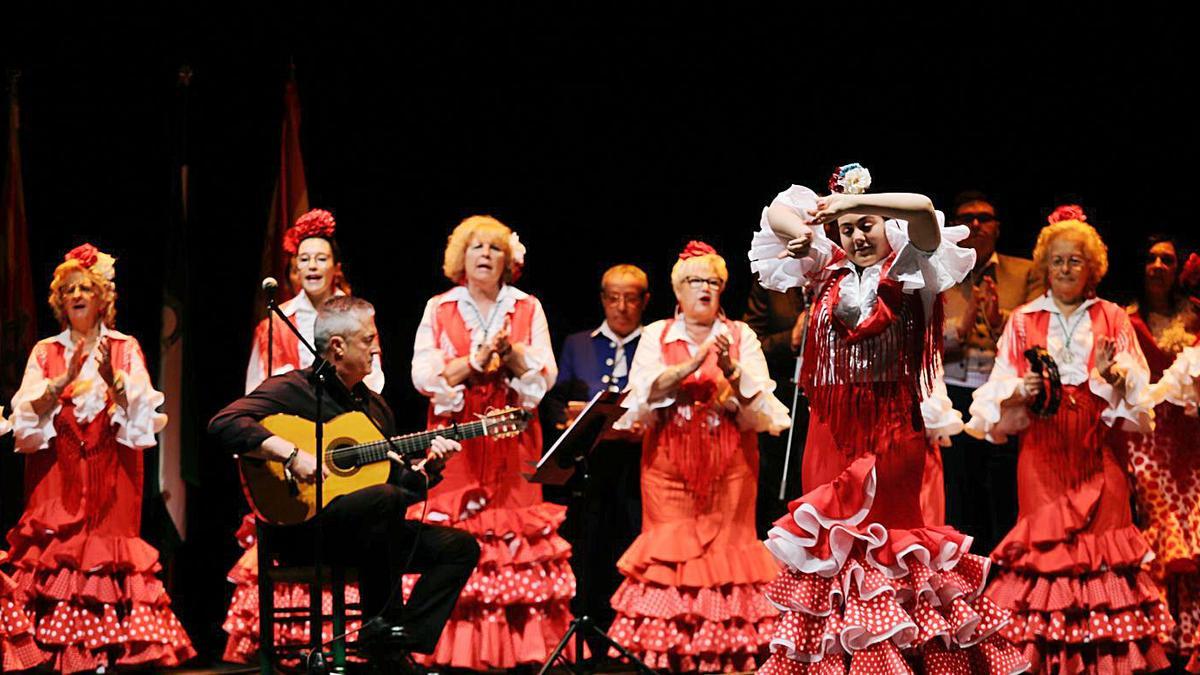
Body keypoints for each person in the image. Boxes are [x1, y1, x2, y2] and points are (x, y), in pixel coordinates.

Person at [750, 164, 1027, 673]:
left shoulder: (911, 269)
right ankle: (842, 660)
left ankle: (900, 656)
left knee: (891, 543)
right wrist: (811, 227)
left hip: (893, 426)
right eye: (849, 229)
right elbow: (775, 212)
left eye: (867, 225)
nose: (856, 235)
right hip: (831, 428)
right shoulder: (825, 267)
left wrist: (853, 203)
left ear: (885, 225)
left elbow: (922, 209)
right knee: (832, 547)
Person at [209, 296, 480, 665]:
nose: (377, 347)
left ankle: (397, 636)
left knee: (459, 547)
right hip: (304, 532)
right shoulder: (293, 390)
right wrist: (290, 454)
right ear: (337, 346)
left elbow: (399, 484)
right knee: (382, 502)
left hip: (368, 537)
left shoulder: (375, 408)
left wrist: (428, 470)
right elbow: (223, 423)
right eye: (368, 339)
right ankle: (385, 652)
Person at [965, 207, 1174, 673]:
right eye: (1057, 261)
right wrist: (1023, 388)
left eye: (1074, 261)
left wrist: (1111, 373)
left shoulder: (1113, 317)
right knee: (1046, 560)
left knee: (1103, 557)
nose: (1064, 270)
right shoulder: (1023, 320)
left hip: (1097, 452)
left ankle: (1103, 662)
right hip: (1042, 455)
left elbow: (1140, 391)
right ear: (1046, 266)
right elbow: (998, 385)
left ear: (1092, 267)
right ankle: (1045, 662)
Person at [2, 244, 195, 672]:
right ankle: (52, 654)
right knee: (58, 555)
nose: (76, 294)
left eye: (85, 287)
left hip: (111, 477)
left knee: (106, 558)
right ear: (59, 301)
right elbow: (24, 417)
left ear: (102, 296)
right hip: (58, 475)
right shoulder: (44, 352)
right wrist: (61, 383)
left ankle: (108, 651)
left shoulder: (125, 348)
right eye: (68, 289)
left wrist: (115, 383)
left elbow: (145, 418)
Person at [607, 241, 789, 672]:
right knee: (671, 558)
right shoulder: (657, 334)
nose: (703, 288)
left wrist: (731, 369)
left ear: (722, 288)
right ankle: (670, 652)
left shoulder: (741, 336)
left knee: (728, 556)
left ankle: (726, 654)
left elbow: (762, 405)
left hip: (731, 469)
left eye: (712, 281)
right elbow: (643, 392)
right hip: (668, 469)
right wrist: (684, 370)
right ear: (678, 291)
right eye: (694, 281)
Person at [410, 215, 573, 670]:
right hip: (456, 442)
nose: (485, 255)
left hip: (512, 441)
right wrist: (474, 361)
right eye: (476, 246)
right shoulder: (439, 308)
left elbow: (545, 378)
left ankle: (517, 649)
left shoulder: (527, 307)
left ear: (508, 261)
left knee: (512, 535)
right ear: (461, 256)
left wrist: (513, 355)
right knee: (457, 535)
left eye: (494, 248)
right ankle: (453, 651)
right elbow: (424, 376)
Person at [224, 208, 383, 662]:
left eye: (321, 259)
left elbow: (377, 386)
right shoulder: (274, 323)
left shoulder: (357, 319)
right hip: (291, 455)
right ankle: (296, 646)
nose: (312, 266)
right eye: (304, 259)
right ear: (294, 269)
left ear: (336, 268)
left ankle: (363, 643)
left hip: (343, 450)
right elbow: (251, 398)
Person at [542, 263, 648, 648]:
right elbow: (554, 398)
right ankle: (587, 632)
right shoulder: (577, 343)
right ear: (602, 299)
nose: (621, 306)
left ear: (644, 301)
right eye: (613, 297)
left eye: (631, 298)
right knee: (586, 544)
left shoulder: (650, 343)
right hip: (588, 466)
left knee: (630, 542)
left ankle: (626, 635)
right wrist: (565, 420)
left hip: (636, 465)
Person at [941, 191, 1044, 554]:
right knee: (957, 486)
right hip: (952, 390)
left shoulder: (1026, 271)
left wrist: (1002, 323)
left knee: (1001, 486)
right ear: (952, 227)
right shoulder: (941, 272)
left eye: (984, 218)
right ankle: (960, 567)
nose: (975, 224)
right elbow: (922, 337)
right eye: (966, 218)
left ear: (997, 228)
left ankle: (1004, 565)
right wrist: (961, 326)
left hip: (1004, 394)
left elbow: (1036, 331)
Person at [1123, 231, 1200, 669]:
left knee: (1193, 535)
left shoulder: (1194, 318)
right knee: (1162, 530)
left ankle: (1192, 637)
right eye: (1151, 258)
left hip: (1189, 440)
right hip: (1148, 440)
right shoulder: (1126, 319)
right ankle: (1162, 634)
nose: (1157, 266)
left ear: (1177, 270)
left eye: (1167, 260)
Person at [742, 282, 808, 538]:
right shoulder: (771, 282)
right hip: (784, 398)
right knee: (779, 487)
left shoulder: (836, 276)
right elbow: (752, 343)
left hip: (829, 399)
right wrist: (790, 339)